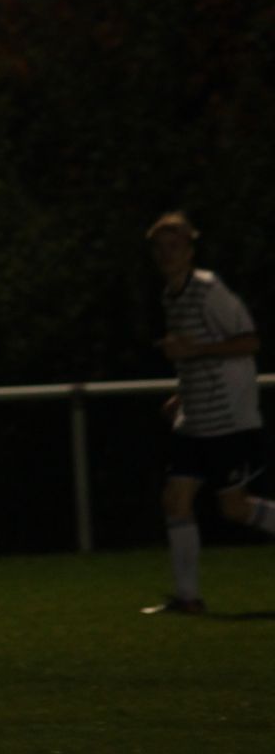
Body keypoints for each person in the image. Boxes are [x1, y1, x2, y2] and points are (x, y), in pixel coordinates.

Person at [140, 211, 275, 615]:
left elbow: (248, 342)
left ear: (190, 250)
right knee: (175, 500)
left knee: (235, 508)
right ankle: (188, 598)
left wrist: (194, 351)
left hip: (228, 420)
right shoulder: (171, 295)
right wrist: (182, 395)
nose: (167, 254)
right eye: (160, 247)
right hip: (196, 419)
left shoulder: (208, 289)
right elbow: (193, 355)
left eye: (175, 246)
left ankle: (188, 597)